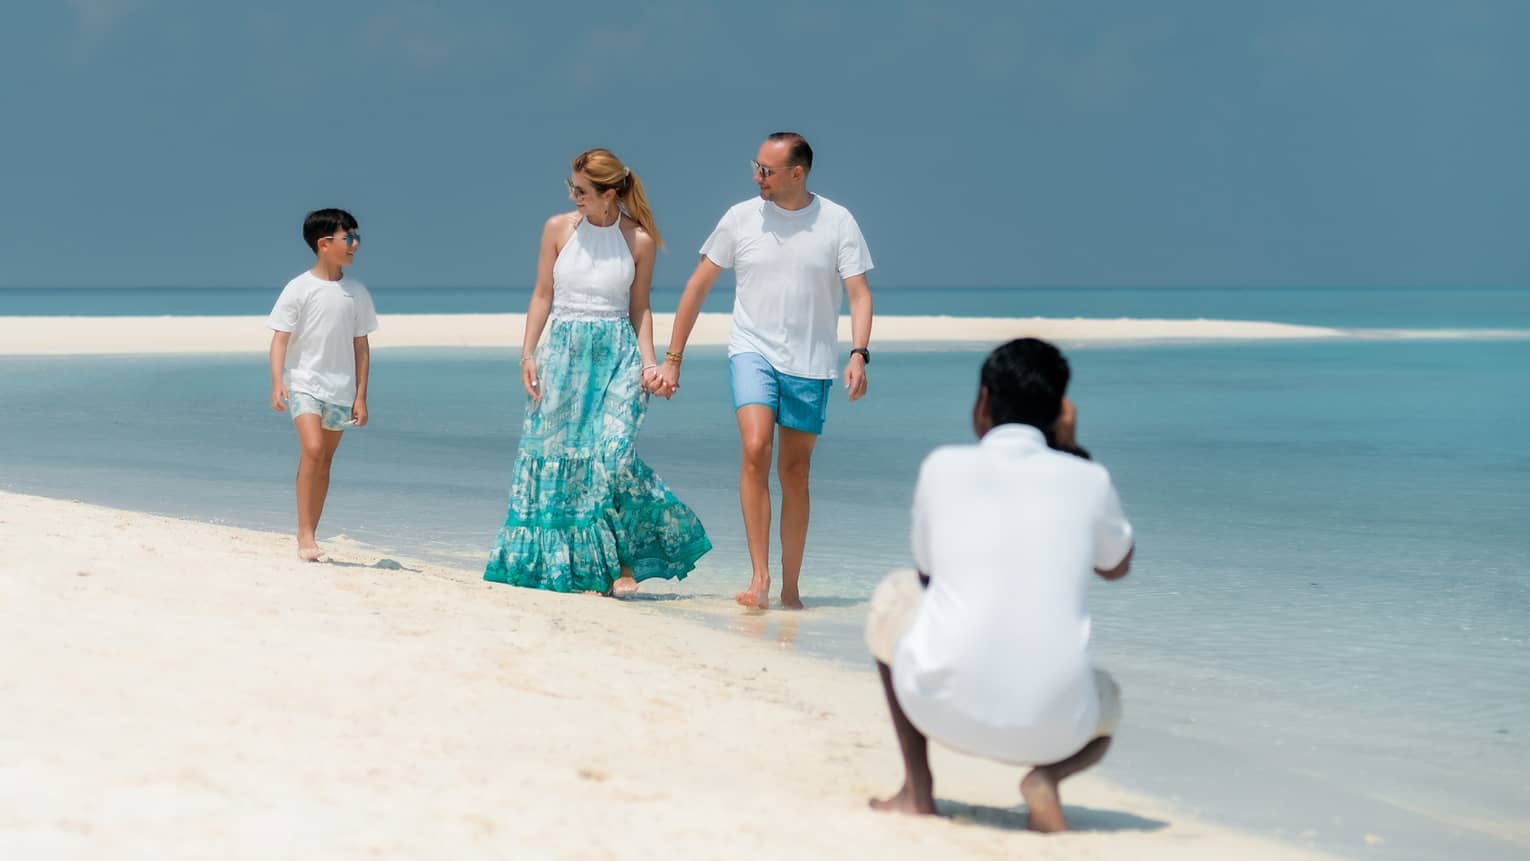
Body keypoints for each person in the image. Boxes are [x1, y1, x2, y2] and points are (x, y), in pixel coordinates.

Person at [864, 338, 1135, 833]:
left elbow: (927, 573)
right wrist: (1071, 450)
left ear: (983, 403)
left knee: (893, 595)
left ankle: (917, 788)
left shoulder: (941, 467)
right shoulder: (1089, 478)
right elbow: (1117, 565)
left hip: (939, 707)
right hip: (1057, 729)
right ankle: (1046, 779)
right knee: (1109, 698)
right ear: (1061, 411)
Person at [652, 131, 873, 610]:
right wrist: (673, 357)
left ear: (798, 173)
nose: (758, 177)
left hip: (811, 362)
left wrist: (858, 352)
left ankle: (792, 589)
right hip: (752, 349)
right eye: (756, 166)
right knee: (755, 447)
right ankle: (760, 577)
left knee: (795, 472)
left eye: (767, 171)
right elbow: (697, 285)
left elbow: (859, 293)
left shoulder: (837, 221)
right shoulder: (739, 218)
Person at [484, 148, 711, 596]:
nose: (574, 197)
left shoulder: (638, 239)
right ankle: (592, 570)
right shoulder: (557, 229)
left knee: (612, 458)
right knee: (562, 465)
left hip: (618, 359)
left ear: (609, 194)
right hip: (563, 357)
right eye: (571, 188)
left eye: (582, 191)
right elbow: (542, 296)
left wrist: (650, 363)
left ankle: (625, 561)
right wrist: (527, 355)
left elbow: (640, 306)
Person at [267, 208, 379, 562]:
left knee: (325, 460)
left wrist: (361, 396)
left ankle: (312, 532)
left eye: (356, 236)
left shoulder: (356, 292)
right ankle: (304, 534)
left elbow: (361, 346)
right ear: (324, 243)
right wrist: (277, 382)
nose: (355, 244)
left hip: (341, 390)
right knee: (313, 449)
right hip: (303, 384)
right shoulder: (299, 288)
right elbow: (280, 339)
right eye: (348, 237)